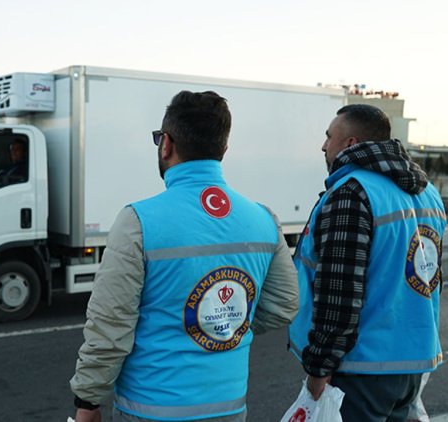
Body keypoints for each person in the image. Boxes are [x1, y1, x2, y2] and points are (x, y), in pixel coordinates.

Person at [69, 91, 299, 422]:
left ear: (166, 143)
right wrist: (223, 327)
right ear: (223, 150)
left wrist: (88, 402)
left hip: (149, 409)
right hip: (229, 408)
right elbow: (284, 305)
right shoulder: (263, 219)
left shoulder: (139, 221)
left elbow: (110, 325)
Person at [288, 104, 445, 421]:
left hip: (362, 368)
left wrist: (319, 368)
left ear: (350, 144)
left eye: (329, 136)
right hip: (413, 364)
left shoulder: (352, 193)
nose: (323, 145)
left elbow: (340, 293)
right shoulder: (427, 193)